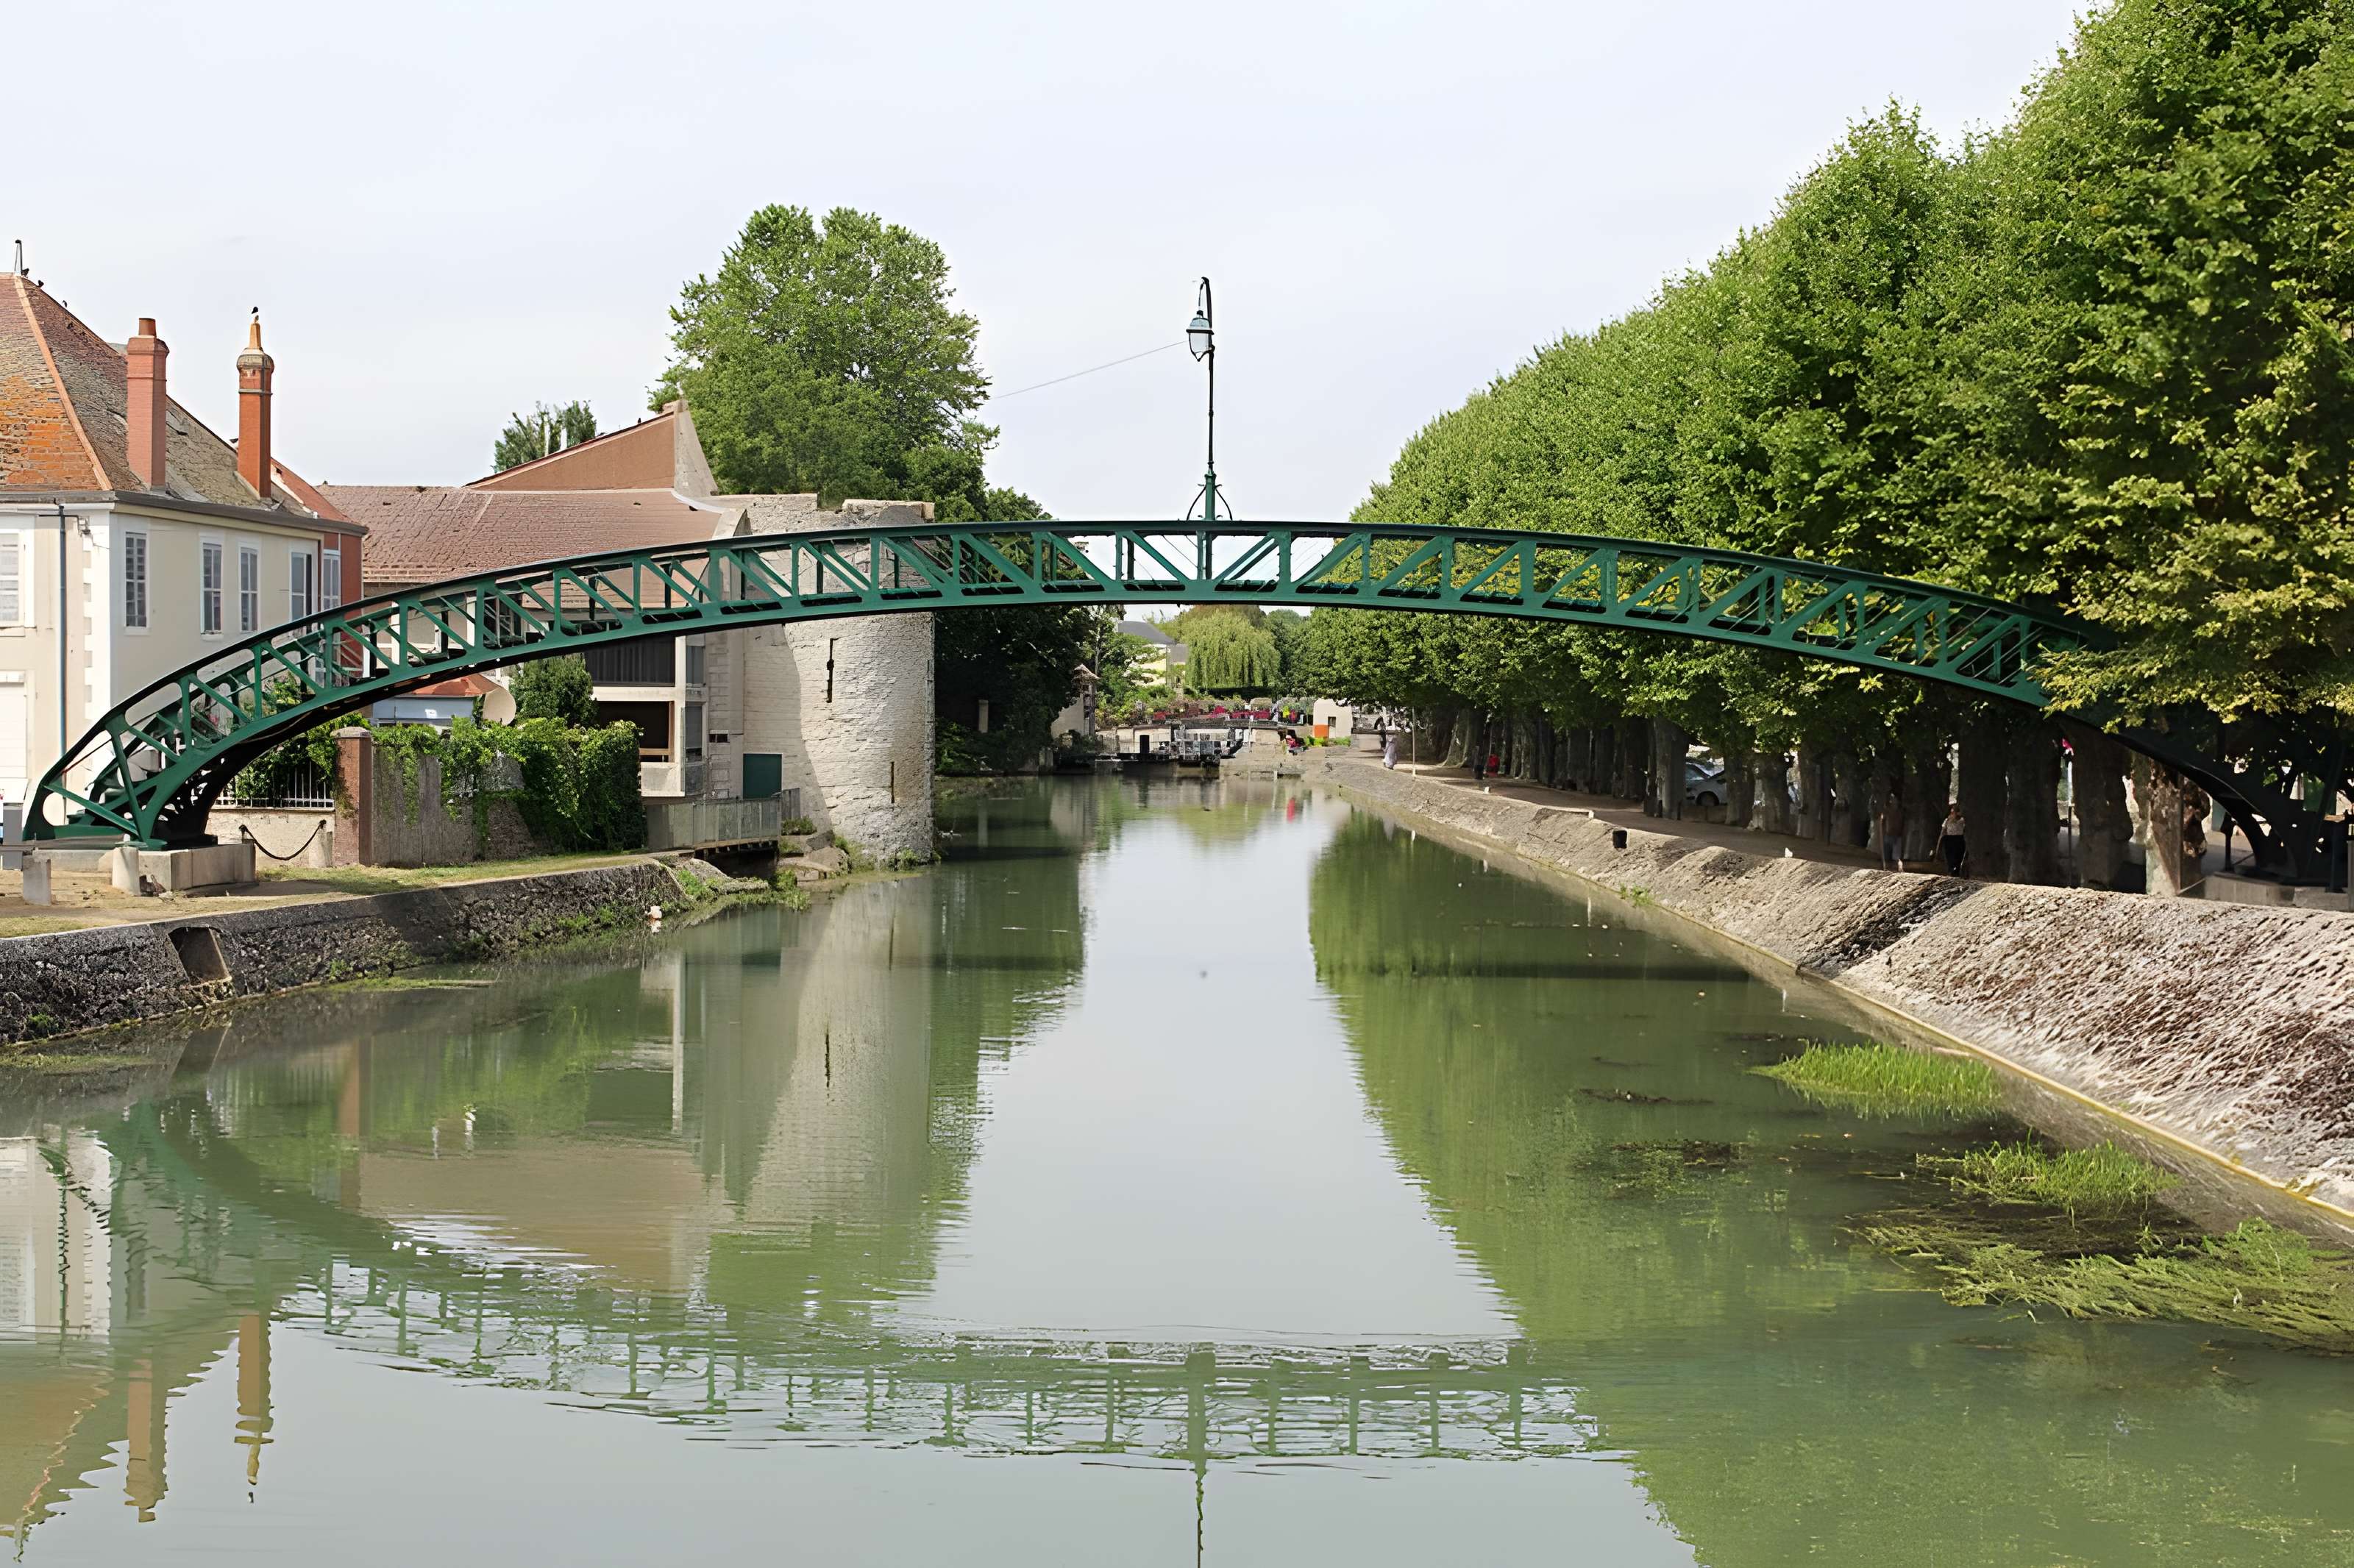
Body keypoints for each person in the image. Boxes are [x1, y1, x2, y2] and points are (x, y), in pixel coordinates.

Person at [1876, 790, 1905, 870]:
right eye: (1891, 798)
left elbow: (1902, 825)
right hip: (1888, 836)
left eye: (1894, 798)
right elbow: (1882, 822)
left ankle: (1899, 871)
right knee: (1886, 857)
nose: (1892, 800)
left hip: (1897, 837)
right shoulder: (1887, 810)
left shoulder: (1901, 811)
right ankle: (1886, 870)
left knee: (1896, 858)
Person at [1938, 802, 1966, 876]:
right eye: (1952, 811)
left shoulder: (1962, 820)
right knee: (1950, 856)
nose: (1953, 813)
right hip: (1949, 839)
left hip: (1959, 839)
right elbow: (1943, 830)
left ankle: (1956, 871)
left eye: (1955, 811)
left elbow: (1965, 830)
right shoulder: (1947, 820)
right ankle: (1951, 870)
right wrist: (1940, 841)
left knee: (1959, 856)